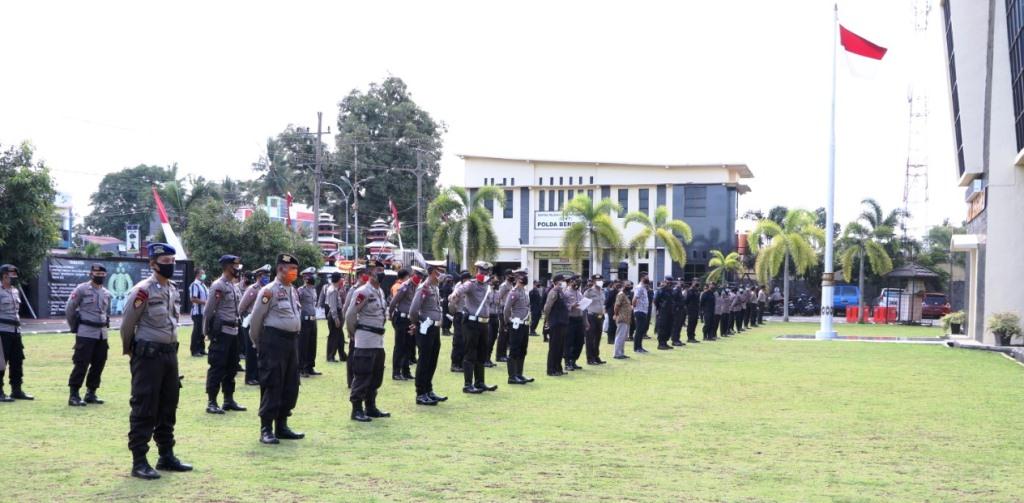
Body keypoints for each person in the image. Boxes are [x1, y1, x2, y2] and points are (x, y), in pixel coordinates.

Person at [120, 243, 192, 480]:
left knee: (168, 405)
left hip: (169, 355)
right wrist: (131, 351)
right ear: (153, 263)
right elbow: (127, 325)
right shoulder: (143, 290)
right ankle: (139, 461)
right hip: (148, 356)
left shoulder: (172, 288)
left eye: (172, 261)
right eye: (165, 261)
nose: (169, 265)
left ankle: (166, 456)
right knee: (144, 407)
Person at [249, 254, 305, 445]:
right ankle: (266, 428)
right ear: (281, 269)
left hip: (291, 342)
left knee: (290, 384)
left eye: (295, 270)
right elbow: (256, 320)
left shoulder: (293, 290)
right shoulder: (268, 291)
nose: (294, 273)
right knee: (272, 383)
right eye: (291, 269)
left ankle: (282, 425)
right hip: (273, 342)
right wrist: (259, 343)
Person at [345, 260, 392, 421]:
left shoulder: (380, 292)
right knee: (363, 375)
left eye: (382, 269)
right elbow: (350, 315)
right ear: (369, 273)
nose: (381, 272)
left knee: (376, 375)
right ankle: (357, 409)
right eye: (377, 269)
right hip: (365, 339)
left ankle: (370, 407)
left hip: (378, 340)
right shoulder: (363, 291)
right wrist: (353, 334)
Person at [202, 255, 246, 415]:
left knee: (232, 366)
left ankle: (228, 399)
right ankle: (212, 401)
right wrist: (206, 332)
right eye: (235, 266)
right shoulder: (218, 286)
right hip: (221, 333)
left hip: (234, 332)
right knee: (217, 367)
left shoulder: (233, 286)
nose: (238, 268)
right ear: (228, 266)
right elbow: (208, 311)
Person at [65, 263, 112, 407]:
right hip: (86, 332)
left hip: (101, 334)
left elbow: (106, 313)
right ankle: (74, 395)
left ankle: (91, 393)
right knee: (81, 363)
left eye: (102, 275)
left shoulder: (106, 293)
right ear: (91, 274)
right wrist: (74, 327)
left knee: (99, 363)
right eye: (97, 274)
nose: (99, 277)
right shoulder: (82, 289)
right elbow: (70, 308)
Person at [450, 262, 499, 393]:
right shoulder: (470, 284)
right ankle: (467, 384)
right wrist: (455, 294)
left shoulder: (488, 287)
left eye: (486, 272)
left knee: (482, 354)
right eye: (481, 272)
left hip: (484, 324)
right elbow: (460, 290)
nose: (484, 274)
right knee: (470, 353)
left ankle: (480, 382)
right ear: (476, 271)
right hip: (471, 323)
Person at [407, 261, 449, 405]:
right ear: (433, 272)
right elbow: (413, 310)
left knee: (432, 360)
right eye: (440, 271)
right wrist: (416, 323)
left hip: (434, 328)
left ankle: (428, 389)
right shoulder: (424, 287)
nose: (442, 274)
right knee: (424, 360)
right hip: (426, 328)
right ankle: (420, 393)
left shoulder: (434, 287)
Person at [0, 264, 30, 402]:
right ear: (4, 276)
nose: (13, 278)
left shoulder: (15, 291)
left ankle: (16, 390)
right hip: (2, 331)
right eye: (11, 275)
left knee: (17, 361)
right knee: (1, 363)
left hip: (15, 331)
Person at [238, 264, 271, 386]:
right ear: (258, 276)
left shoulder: (268, 289)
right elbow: (241, 307)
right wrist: (245, 319)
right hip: (250, 323)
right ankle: (250, 377)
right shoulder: (253, 289)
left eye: (268, 275)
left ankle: (258, 375)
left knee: (260, 351)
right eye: (264, 275)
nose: (267, 277)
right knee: (251, 351)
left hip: (263, 324)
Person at [502, 270, 535, 384]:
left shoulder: (524, 292)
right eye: (522, 277)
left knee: (522, 350)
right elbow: (506, 309)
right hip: (516, 324)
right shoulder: (514, 292)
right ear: (516, 279)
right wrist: (508, 322)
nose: (525, 278)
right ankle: (512, 377)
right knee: (514, 350)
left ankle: (519, 374)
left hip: (525, 324)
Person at [387, 269, 416, 381]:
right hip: (401, 318)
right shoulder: (404, 286)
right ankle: (396, 372)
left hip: (409, 319)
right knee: (400, 346)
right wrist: (390, 314)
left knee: (408, 346)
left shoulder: (414, 287)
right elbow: (394, 301)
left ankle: (405, 371)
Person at [342, 267, 367, 387]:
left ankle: (359, 379)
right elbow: (346, 308)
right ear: (360, 276)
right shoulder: (354, 289)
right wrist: (349, 330)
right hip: (355, 326)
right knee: (353, 354)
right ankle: (351, 380)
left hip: (364, 327)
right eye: (365, 275)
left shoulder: (368, 289)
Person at [541, 273, 569, 376]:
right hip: (556, 323)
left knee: (560, 347)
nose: (565, 283)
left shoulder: (561, 292)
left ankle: (558, 368)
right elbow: (547, 308)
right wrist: (547, 320)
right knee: (554, 347)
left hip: (562, 322)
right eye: (563, 281)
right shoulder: (553, 292)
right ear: (557, 282)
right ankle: (551, 369)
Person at [297, 267, 321, 378]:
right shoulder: (301, 290)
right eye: (311, 275)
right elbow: (296, 305)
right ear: (305, 277)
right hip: (304, 320)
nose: (313, 277)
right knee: (303, 345)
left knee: (312, 345)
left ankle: (310, 366)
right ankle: (301, 368)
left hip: (313, 319)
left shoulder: (313, 289)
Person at [447, 271, 470, 373]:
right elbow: (452, 302)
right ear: (464, 279)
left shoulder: (469, 286)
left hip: (467, 316)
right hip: (459, 315)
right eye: (467, 279)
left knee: (466, 341)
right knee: (458, 341)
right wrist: (454, 313)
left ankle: (462, 363)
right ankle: (455, 364)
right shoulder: (459, 287)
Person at [583, 274, 606, 365]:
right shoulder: (588, 292)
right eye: (597, 280)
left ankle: (596, 356)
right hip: (591, 316)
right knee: (590, 338)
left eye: (600, 279)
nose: (600, 281)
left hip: (600, 317)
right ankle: (590, 358)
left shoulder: (602, 291)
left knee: (597, 338)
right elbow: (584, 306)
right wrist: (585, 320)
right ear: (593, 281)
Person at [324, 272, 347, 363]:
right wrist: (336, 318)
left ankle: (343, 356)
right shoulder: (333, 290)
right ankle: (330, 356)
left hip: (336, 314)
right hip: (335, 314)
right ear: (338, 279)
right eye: (341, 278)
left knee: (340, 337)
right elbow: (333, 306)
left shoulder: (334, 289)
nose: (342, 280)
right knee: (333, 337)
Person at [495, 273, 515, 362]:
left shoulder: (511, 285)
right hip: (503, 310)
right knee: (503, 333)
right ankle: (499, 355)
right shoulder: (503, 286)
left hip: (509, 310)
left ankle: (503, 354)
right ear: (507, 276)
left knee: (507, 334)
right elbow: (499, 298)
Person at [188, 269, 209, 357]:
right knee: (197, 331)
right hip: (197, 312)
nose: (204, 275)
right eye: (202, 273)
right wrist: (205, 302)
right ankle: (194, 350)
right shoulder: (194, 285)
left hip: (204, 312)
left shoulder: (203, 285)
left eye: (204, 273)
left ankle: (201, 349)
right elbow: (193, 299)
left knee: (202, 331)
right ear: (197, 275)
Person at [484, 274, 503, 367]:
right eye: (494, 281)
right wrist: (490, 289)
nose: (496, 283)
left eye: (497, 281)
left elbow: (499, 304)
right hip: (488, 316)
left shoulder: (498, 292)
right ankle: (484, 359)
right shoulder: (487, 291)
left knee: (494, 338)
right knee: (489, 338)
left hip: (495, 316)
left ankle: (488, 358)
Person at [612, 281, 633, 359]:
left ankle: (621, 353)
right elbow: (616, 306)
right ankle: (617, 354)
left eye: (630, 285)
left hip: (626, 318)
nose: (629, 287)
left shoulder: (625, 295)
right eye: (627, 285)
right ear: (623, 286)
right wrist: (616, 315)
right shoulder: (620, 294)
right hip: (621, 318)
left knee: (623, 337)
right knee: (620, 336)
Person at [655, 277, 676, 350]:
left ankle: (665, 342)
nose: (669, 283)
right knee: (662, 327)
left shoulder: (671, 290)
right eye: (668, 282)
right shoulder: (661, 290)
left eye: (670, 282)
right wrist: (660, 308)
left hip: (670, 311)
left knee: (669, 327)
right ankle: (661, 344)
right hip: (663, 312)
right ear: (665, 281)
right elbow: (656, 300)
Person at [632, 277, 651, 353]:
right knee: (639, 330)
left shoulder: (643, 288)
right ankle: (637, 348)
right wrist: (634, 308)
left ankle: (640, 346)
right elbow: (634, 299)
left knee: (641, 330)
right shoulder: (639, 288)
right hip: (639, 311)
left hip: (643, 311)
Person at [670, 279, 688, 346]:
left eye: (682, 281)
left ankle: (677, 339)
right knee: (676, 326)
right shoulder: (676, 290)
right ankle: (674, 340)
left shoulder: (680, 290)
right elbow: (673, 300)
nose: (682, 283)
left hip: (681, 310)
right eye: (680, 282)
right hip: (677, 310)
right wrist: (676, 307)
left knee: (679, 325)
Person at [604, 280, 618, 345]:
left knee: (615, 325)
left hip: (616, 309)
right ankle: (610, 340)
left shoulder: (617, 291)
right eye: (616, 284)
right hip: (611, 309)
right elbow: (608, 301)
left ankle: (614, 339)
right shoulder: (612, 291)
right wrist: (606, 308)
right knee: (611, 325)